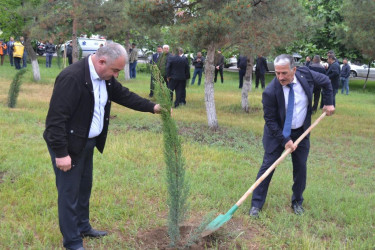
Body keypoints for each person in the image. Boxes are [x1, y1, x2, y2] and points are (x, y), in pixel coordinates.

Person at [43, 43, 162, 250]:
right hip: (69, 145)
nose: (116, 75)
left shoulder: (106, 78)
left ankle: (83, 226)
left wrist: (152, 107)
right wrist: (61, 154)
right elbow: (55, 120)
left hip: (86, 143)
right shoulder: (72, 78)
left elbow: (124, 95)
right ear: (101, 61)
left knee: (84, 187)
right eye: (115, 70)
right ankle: (72, 242)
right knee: (69, 193)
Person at [249, 54, 335, 218]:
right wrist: (285, 140)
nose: (280, 77)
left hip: (301, 131)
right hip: (277, 134)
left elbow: (326, 82)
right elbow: (270, 120)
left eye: (284, 73)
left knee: (301, 168)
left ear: (294, 70)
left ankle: (297, 202)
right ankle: (256, 205)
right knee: (268, 167)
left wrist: (329, 102)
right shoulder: (270, 92)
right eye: (277, 73)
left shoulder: (306, 74)